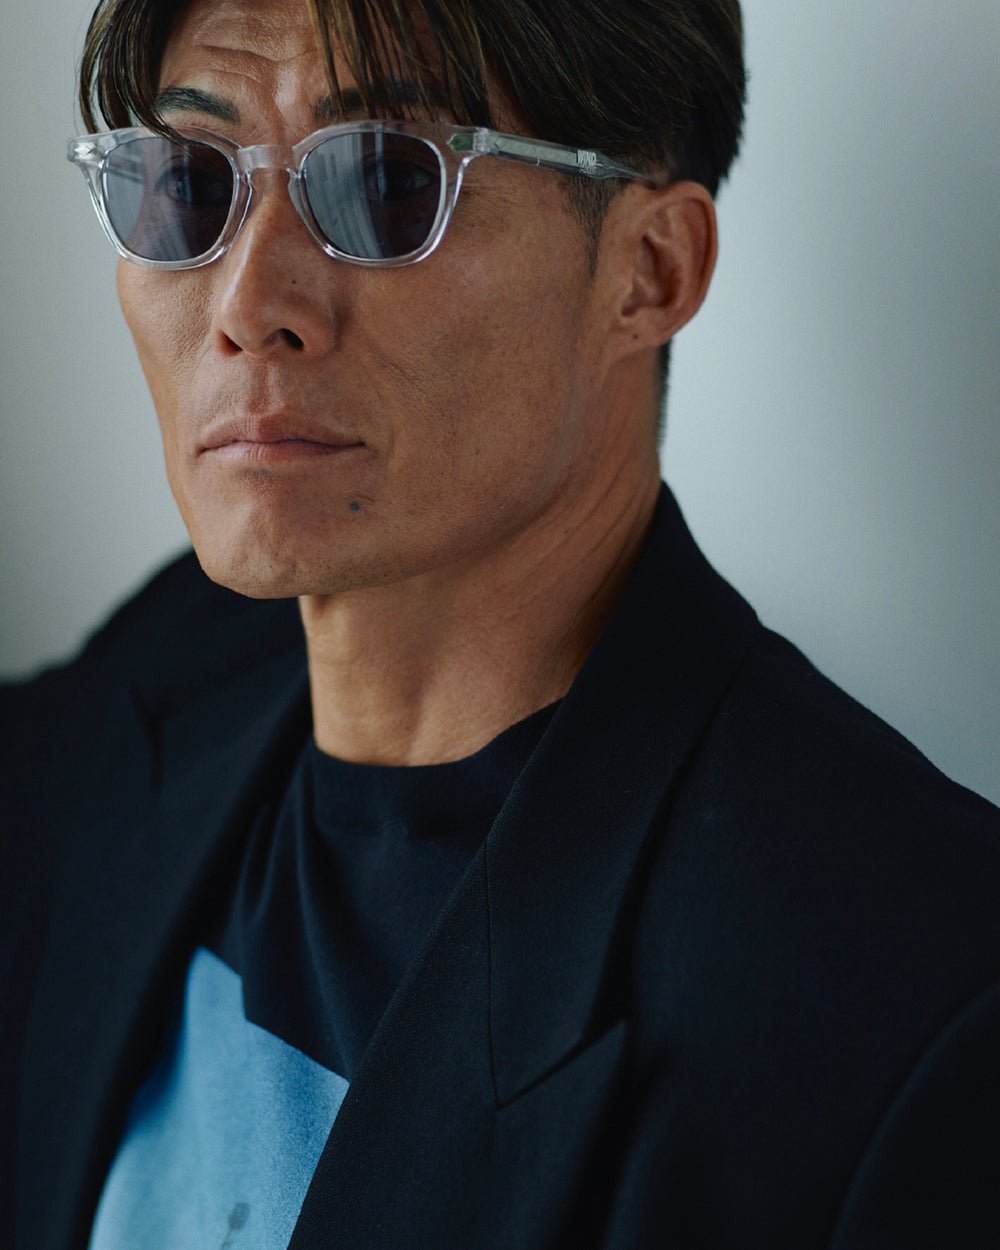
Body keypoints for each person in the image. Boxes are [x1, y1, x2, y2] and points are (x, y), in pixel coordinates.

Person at [2, 0, 999, 1246]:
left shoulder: (917, 1002)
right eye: (190, 183)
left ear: (649, 270)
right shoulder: (149, 684)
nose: (248, 303)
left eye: (383, 182)